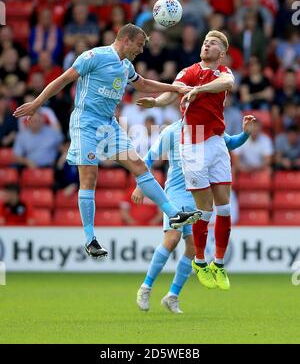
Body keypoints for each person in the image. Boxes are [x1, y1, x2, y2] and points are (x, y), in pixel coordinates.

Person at [13, 23, 201, 258]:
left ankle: (173, 214)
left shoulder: (126, 66)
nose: (141, 50)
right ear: (126, 40)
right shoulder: (94, 56)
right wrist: (36, 103)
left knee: (139, 166)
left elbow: (141, 84)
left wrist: (174, 88)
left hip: (108, 124)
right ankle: (90, 239)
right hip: (86, 122)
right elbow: (63, 80)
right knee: (89, 176)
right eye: (140, 45)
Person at [136, 30, 235, 291]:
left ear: (221, 52)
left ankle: (219, 263)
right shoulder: (188, 71)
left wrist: (197, 91)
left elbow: (226, 84)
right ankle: (200, 262)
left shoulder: (223, 72)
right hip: (192, 143)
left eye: (212, 43)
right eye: (204, 42)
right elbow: (173, 92)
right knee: (205, 209)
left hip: (216, 140)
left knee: (225, 208)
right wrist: (156, 103)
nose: (206, 45)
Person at [134, 115, 255, 313]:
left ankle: (172, 295)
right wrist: (141, 185)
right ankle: (146, 287)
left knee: (193, 247)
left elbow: (230, 143)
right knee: (172, 238)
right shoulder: (171, 131)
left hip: (198, 197)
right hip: (176, 194)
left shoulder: (209, 128)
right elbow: (148, 157)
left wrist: (246, 133)